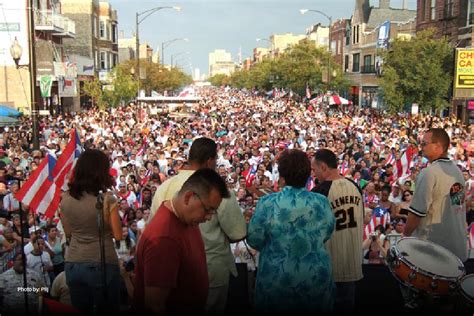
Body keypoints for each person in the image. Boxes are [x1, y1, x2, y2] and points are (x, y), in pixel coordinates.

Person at [148, 137, 246, 313]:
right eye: (207, 210)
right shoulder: (217, 190)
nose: (207, 217)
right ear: (210, 161)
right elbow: (237, 233)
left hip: (179, 277)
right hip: (206, 275)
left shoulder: (164, 188)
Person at [247, 149, 335, 313]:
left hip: (276, 281)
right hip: (315, 279)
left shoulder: (267, 203)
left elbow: (254, 239)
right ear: (308, 174)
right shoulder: (321, 202)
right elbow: (327, 232)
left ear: (282, 176)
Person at [133, 168, 230, 314]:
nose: (209, 217)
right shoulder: (164, 239)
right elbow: (155, 305)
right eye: (207, 210)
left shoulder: (186, 219)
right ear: (188, 197)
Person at [403, 128, 468, 311]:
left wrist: (404, 237)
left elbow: (416, 214)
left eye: (424, 143)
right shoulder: (456, 171)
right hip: (458, 250)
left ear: (438, 146)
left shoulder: (429, 172)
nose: (421, 147)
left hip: (435, 253)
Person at [60, 149, 122, 314]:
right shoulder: (108, 199)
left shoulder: (65, 198)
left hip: (73, 262)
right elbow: (118, 235)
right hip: (102, 261)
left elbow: (68, 233)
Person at [311, 148, 364, 314]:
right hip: (353, 262)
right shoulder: (355, 186)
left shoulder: (319, 192)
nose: (313, 174)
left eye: (314, 169)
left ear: (324, 167)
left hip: (329, 267)